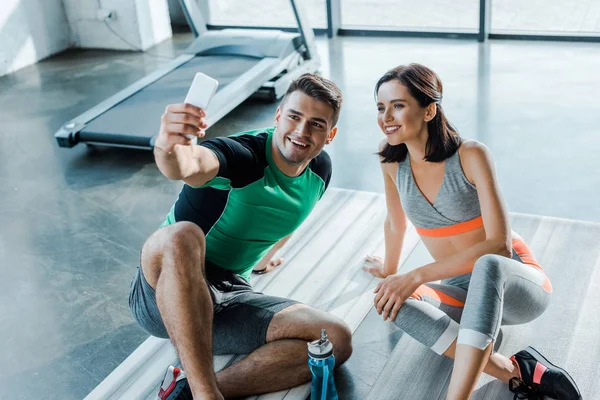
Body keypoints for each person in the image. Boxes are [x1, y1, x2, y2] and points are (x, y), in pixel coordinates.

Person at [363, 64, 581, 400]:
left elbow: (498, 244)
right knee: (392, 301)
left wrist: (416, 274)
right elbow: (395, 222)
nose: (386, 116)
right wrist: (392, 274)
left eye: (398, 105)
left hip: (516, 285)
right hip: (461, 294)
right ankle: (514, 370)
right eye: (381, 107)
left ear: (429, 109)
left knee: (488, 263)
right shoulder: (391, 161)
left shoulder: (471, 155)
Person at [128, 74, 353, 400]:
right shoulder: (240, 156)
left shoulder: (320, 171)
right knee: (182, 236)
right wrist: (168, 146)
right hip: (164, 292)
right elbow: (187, 165)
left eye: (316, 124)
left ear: (330, 135)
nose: (301, 131)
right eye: (294, 116)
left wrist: (267, 256)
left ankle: (185, 392)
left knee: (334, 338)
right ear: (278, 115)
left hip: (226, 298)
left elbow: (285, 215)